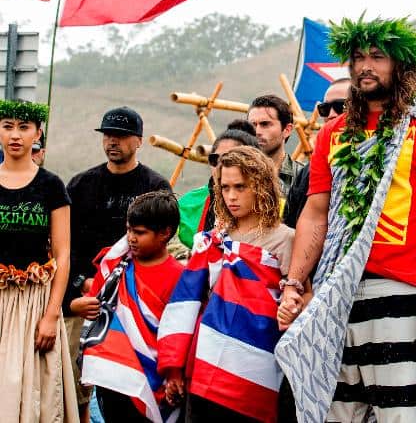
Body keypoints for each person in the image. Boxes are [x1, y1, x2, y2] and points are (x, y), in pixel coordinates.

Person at [274, 16, 416, 422]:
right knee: (334, 415)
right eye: (359, 57)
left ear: (404, 65)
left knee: (399, 416)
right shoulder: (335, 132)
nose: (365, 65)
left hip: (397, 291)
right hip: (334, 294)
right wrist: (294, 283)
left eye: (378, 57)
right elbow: (316, 213)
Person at [158, 146, 295, 422]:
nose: (231, 196)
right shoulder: (214, 238)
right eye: (225, 187)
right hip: (206, 361)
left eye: (240, 187)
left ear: (262, 186)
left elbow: (296, 298)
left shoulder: (285, 239)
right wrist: (175, 365)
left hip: (256, 366)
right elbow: (187, 301)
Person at [64, 106, 171, 419]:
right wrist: (82, 283)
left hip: (135, 302)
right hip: (86, 299)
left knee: (126, 386)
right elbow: (64, 244)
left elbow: (163, 243)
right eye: (108, 134)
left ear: (138, 141)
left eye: (121, 136)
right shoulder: (81, 185)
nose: (113, 141)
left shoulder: (155, 186)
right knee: (76, 383)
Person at [72, 191, 184, 422]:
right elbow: (96, 303)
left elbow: (179, 333)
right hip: (113, 376)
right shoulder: (117, 270)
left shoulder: (180, 278)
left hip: (154, 377)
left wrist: (175, 374)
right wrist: (80, 306)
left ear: (165, 233)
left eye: (140, 233)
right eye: (129, 230)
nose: (131, 238)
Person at [0, 99, 78, 422]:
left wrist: (50, 315)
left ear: (38, 134)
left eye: (24, 128)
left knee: (31, 389)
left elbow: (62, 254)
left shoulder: (51, 186)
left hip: (35, 302)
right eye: (7, 127)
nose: (15, 135)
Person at [283, 78, 351, 228]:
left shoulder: (384, 160)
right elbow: (291, 225)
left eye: (341, 106)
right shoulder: (309, 172)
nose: (332, 114)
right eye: (325, 109)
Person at [177, 125, 260, 249]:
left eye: (229, 159)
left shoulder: (270, 208)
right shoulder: (186, 205)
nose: (221, 166)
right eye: (215, 159)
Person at [247, 94, 304, 198]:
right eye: (253, 125)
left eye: (265, 124)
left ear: (287, 130)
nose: (257, 131)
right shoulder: (235, 172)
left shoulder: (304, 177)